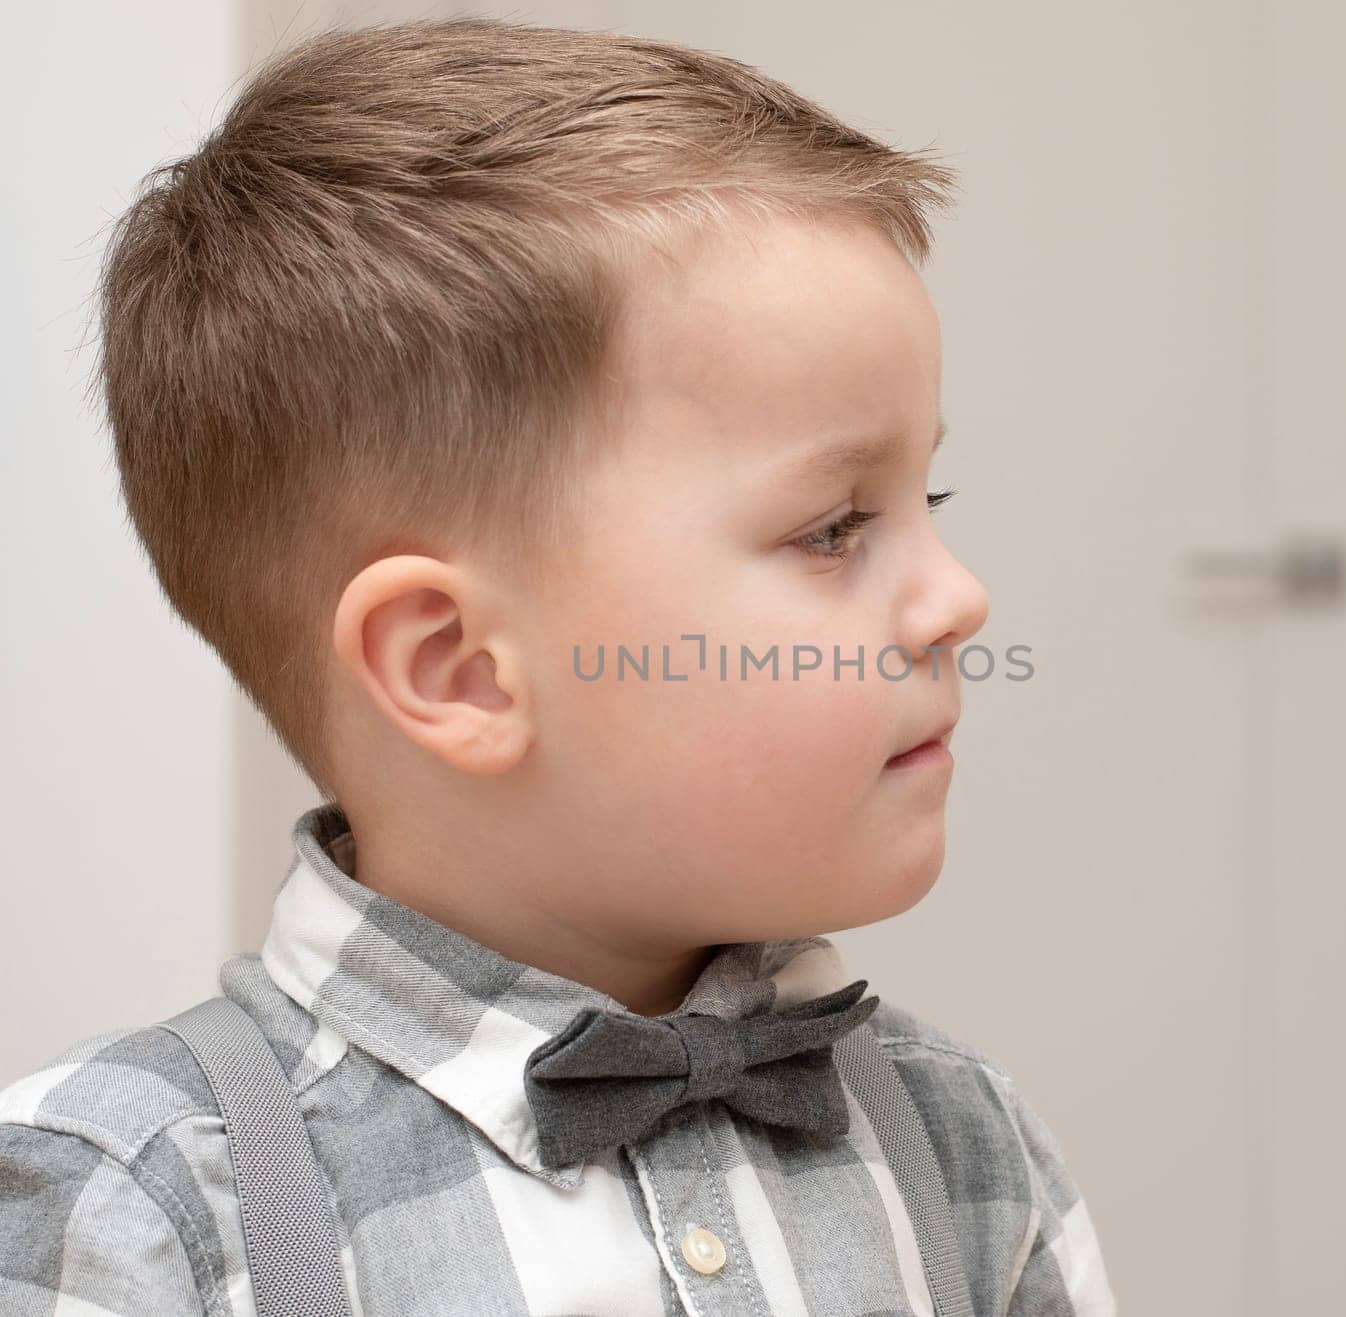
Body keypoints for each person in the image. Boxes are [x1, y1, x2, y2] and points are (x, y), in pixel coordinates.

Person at [0, 18, 1115, 1315]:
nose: (958, 596)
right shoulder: (135, 1208)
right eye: (832, 527)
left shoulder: (968, 1153)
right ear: (461, 666)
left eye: (931, 494)